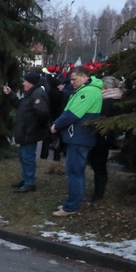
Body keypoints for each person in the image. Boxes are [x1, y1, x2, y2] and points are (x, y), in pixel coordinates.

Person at [50, 66, 102, 217]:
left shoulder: (88, 91)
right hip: (80, 137)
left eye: (74, 79)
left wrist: (56, 125)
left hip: (79, 137)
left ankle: (71, 206)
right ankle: (75, 201)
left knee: (73, 172)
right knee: (77, 172)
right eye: (71, 79)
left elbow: (72, 113)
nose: (71, 82)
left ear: (85, 77)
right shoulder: (87, 90)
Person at [3, 71, 50, 193]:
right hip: (25, 132)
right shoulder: (30, 93)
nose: (23, 83)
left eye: (25, 81)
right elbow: (20, 105)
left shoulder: (38, 94)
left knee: (28, 158)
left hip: (30, 132)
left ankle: (30, 183)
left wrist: (35, 127)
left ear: (31, 82)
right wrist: (10, 95)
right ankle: (25, 179)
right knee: (23, 157)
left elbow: (43, 114)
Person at [87, 76, 123, 201]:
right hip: (106, 137)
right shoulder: (117, 99)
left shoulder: (107, 101)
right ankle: (98, 191)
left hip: (101, 137)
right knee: (98, 163)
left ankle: (98, 193)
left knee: (98, 164)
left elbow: (100, 119)